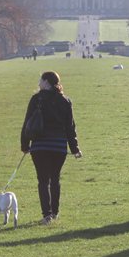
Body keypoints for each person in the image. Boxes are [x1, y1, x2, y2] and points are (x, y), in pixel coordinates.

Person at [20, 71, 82, 224]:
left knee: (42, 180)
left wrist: (24, 144)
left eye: (40, 79)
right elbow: (70, 127)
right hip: (58, 147)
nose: (38, 82)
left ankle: (46, 215)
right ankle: (55, 213)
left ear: (46, 82)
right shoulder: (65, 101)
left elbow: (27, 123)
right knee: (55, 179)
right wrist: (74, 149)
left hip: (40, 146)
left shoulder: (36, 99)